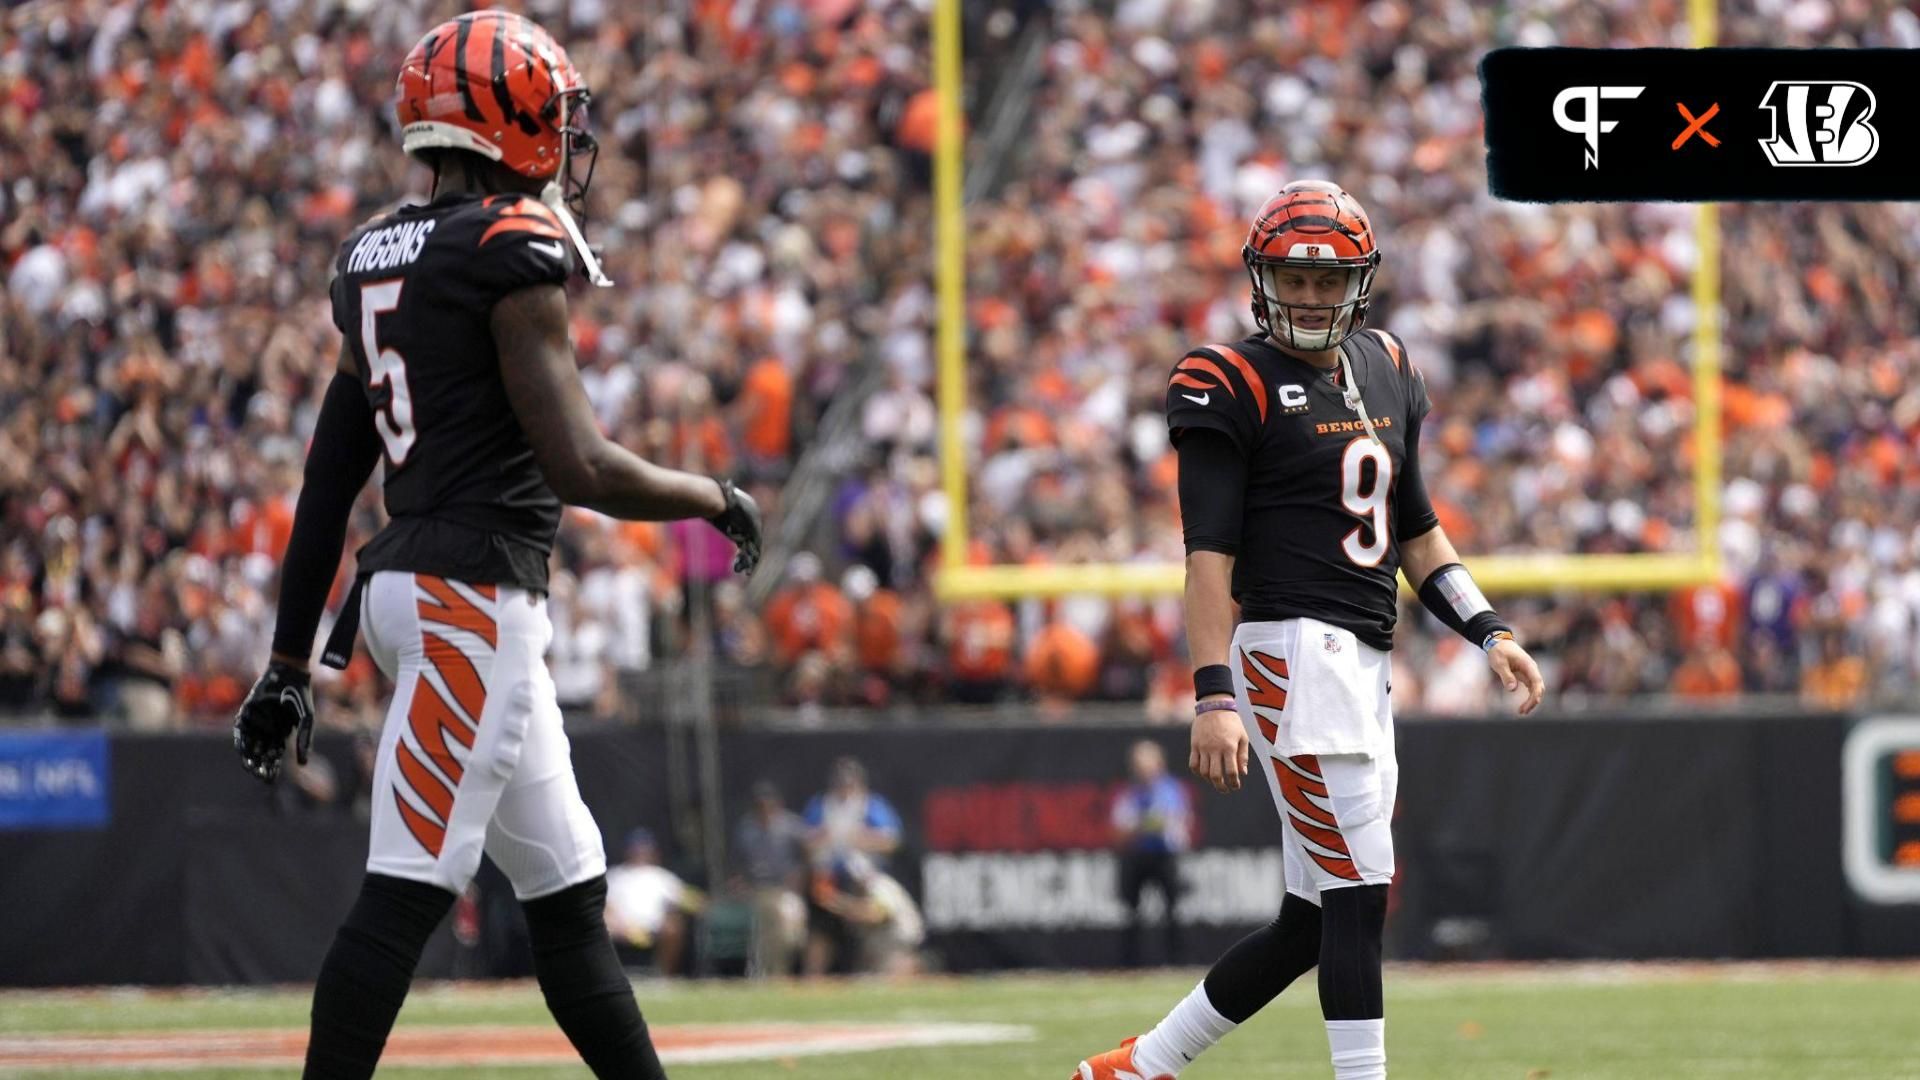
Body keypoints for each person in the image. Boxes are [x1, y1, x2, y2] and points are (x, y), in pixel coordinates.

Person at [227, 13, 763, 1080]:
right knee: (404, 892)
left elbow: (330, 478)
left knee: (567, 894)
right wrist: (716, 495)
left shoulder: (378, 255)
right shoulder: (507, 247)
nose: (567, 138)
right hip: (467, 601)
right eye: (552, 115)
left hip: (421, 587)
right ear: (502, 121)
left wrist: (289, 663)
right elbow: (582, 466)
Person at [1075, 180, 1545, 1080]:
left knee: (1314, 918)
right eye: (1295, 277)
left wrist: (1488, 631)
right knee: (1362, 895)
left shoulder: (1388, 366)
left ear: (1361, 285)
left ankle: (1139, 1068)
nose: (1311, 297)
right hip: (1291, 652)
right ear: (1263, 278)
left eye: (1331, 283)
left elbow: (1415, 530)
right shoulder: (1232, 378)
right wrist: (1211, 692)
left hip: (1364, 664)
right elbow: (1206, 556)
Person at [1112, 739, 1192, 969]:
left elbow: (1176, 822)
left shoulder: (1171, 789)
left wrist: (1144, 824)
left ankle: (1177, 962)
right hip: (1137, 856)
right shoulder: (1129, 793)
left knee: (1173, 911)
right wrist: (1144, 825)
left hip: (1165, 856)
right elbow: (1119, 831)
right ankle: (1130, 964)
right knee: (1130, 913)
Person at [732, 781, 809, 978]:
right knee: (770, 924)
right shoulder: (747, 830)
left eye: (768, 804)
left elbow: (806, 857)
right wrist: (740, 883)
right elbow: (739, 865)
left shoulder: (792, 827)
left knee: (790, 932)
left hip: (786, 889)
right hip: (758, 890)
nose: (765, 809)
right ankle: (774, 973)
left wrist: (799, 878)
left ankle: (780, 970)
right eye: (761, 805)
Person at [605, 829, 702, 977]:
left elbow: (688, 899)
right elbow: (604, 904)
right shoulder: (616, 875)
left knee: (673, 927)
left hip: (653, 927)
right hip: (620, 927)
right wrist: (621, 926)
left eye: (644, 849)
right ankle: (608, 977)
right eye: (636, 849)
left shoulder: (661, 876)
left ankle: (663, 977)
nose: (640, 853)